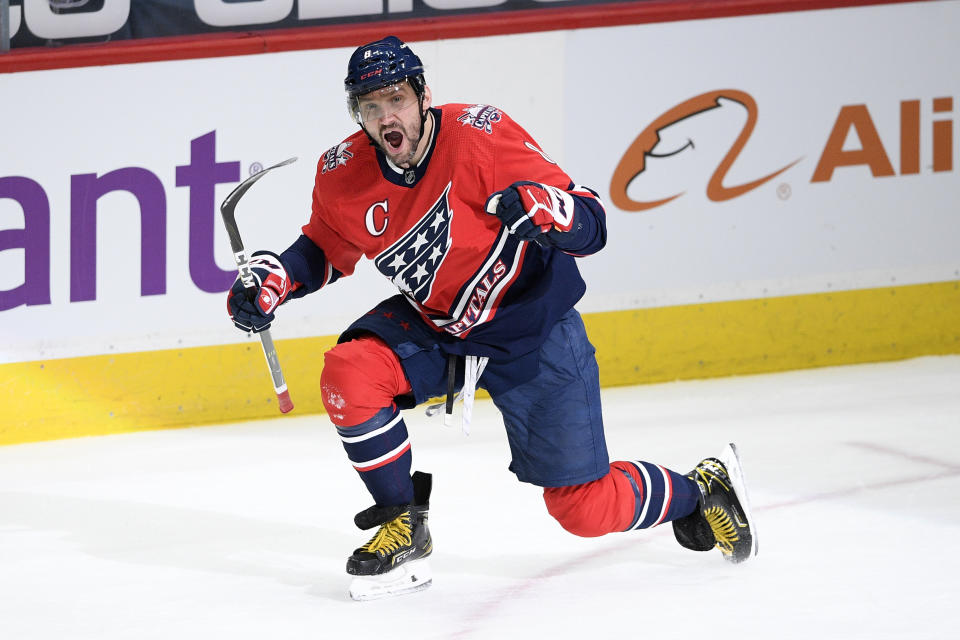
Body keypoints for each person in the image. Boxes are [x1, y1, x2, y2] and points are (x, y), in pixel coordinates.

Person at [227, 36, 757, 600]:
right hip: (439, 326)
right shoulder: (342, 172)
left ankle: (701, 490)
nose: (387, 118)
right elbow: (328, 245)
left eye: (397, 100)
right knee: (350, 373)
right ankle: (401, 524)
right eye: (371, 107)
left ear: (424, 95)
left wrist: (550, 211)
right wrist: (278, 279)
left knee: (583, 509)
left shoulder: (482, 135)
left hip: (530, 328)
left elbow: (592, 222)